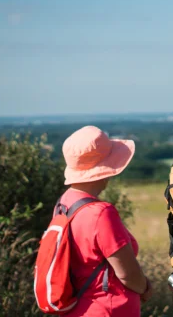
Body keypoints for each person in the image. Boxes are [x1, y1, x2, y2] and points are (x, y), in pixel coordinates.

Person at [59, 125, 152, 317]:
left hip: (78, 309)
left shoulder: (64, 203)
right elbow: (127, 274)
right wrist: (145, 288)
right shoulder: (101, 213)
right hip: (109, 310)